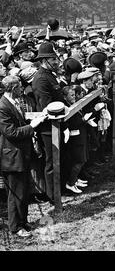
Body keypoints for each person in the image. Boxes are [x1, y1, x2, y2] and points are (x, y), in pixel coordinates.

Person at [0, 75, 47, 237]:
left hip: (20, 155)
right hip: (12, 157)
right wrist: (32, 126)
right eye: (19, 87)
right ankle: (15, 227)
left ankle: (22, 221)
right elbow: (11, 132)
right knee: (15, 194)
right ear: (13, 89)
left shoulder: (12, 102)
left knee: (23, 191)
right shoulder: (2, 106)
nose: (22, 90)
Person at [31, 41, 65, 203]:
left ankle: (59, 189)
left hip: (57, 124)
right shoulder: (41, 79)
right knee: (51, 162)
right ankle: (53, 196)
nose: (56, 62)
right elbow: (47, 107)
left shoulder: (50, 75)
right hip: (48, 127)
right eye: (53, 60)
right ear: (44, 61)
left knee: (57, 159)